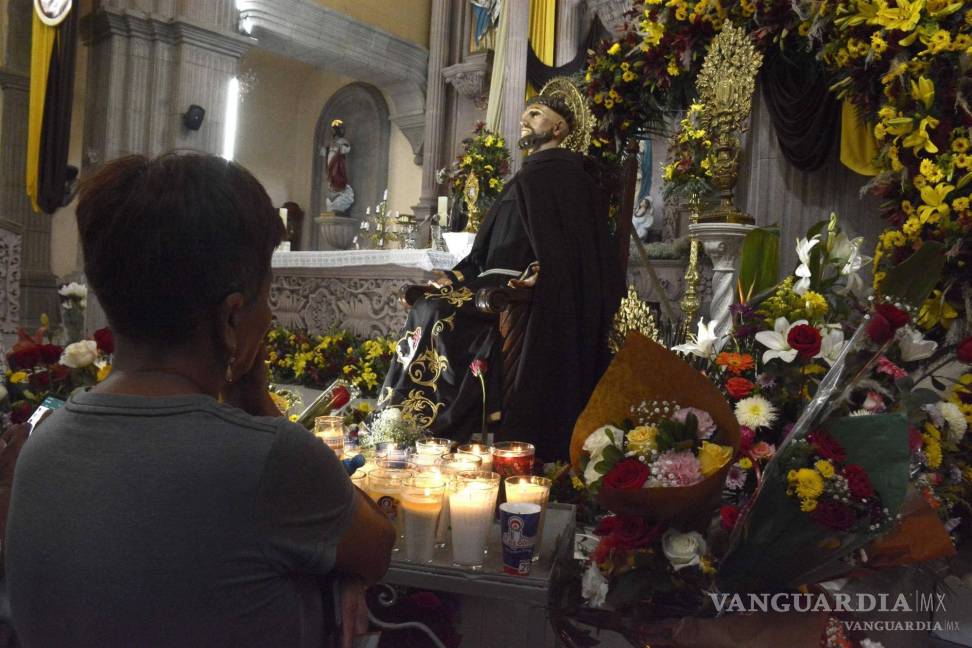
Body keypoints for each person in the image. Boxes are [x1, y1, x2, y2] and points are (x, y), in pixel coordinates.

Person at [4, 153, 395, 648]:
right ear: (232, 317)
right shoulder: (270, 458)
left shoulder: (42, 445)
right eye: (267, 298)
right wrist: (259, 406)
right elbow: (376, 549)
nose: (270, 318)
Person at [377, 92, 624, 460]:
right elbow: (482, 255)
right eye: (525, 114)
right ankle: (403, 421)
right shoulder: (522, 178)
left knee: (438, 314)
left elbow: (569, 255)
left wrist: (539, 274)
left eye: (536, 114)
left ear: (559, 127)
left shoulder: (569, 179)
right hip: (485, 285)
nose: (525, 120)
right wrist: (455, 278)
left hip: (518, 295)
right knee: (428, 305)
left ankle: (437, 425)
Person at [321, 119, 354, 214]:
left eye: (335, 129)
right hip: (330, 161)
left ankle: (339, 190)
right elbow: (323, 152)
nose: (334, 132)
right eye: (333, 130)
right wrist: (327, 148)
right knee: (331, 176)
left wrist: (338, 146)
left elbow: (346, 149)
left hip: (338, 163)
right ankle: (333, 191)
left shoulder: (343, 141)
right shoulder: (331, 142)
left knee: (337, 175)